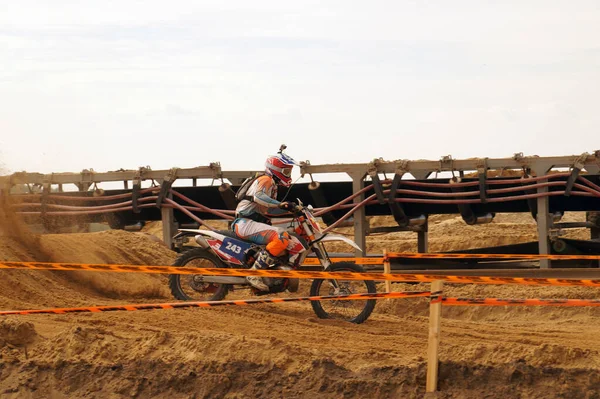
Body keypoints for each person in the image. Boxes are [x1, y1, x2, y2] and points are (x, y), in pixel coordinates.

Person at [231, 148, 301, 291]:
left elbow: (268, 209)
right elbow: (259, 197)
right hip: (245, 223)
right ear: (276, 169)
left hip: (250, 223)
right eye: (286, 171)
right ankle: (254, 274)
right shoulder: (266, 179)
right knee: (281, 236)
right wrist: (280, 204)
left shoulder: (272, 185)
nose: (288, 174)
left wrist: (291, 209)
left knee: (286, 238)